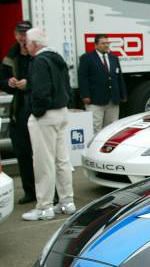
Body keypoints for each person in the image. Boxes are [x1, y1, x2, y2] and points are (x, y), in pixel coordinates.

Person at [22, 28, 75, 221]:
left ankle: (44, 207)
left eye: (27, 42)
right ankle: (67, 202)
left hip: (46, 115)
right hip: (61, 112)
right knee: (62, 161)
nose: (25, 45)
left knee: (43, 162)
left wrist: (36, 112)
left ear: (35, 44)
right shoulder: (57, 58)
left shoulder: (39, 61)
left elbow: (41, 91)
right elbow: (67, 86)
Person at [0, 21, 35, 204]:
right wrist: (9, 83)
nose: (23, 37)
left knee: (41, 155)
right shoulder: (11, 56)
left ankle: (48, 193)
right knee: (22, 153)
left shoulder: (37, 55)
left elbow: (46, 80)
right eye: (20, 33)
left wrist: (29, 83)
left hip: (37, 111)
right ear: (15, 35)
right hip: (18, 111)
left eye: (26, 34)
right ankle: (29, 192)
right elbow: (2, 80)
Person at [78, 34, 127, 134]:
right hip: (95, 100)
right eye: (103, 43)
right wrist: (85, 95)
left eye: (107, 43)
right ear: (95, 45)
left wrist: (123, 94)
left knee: (112, 127)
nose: (106, 45)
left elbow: (119, 77)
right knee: (96, 127)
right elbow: (83, 78)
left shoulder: (113, 58)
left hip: (113, 99)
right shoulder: (87, 58)